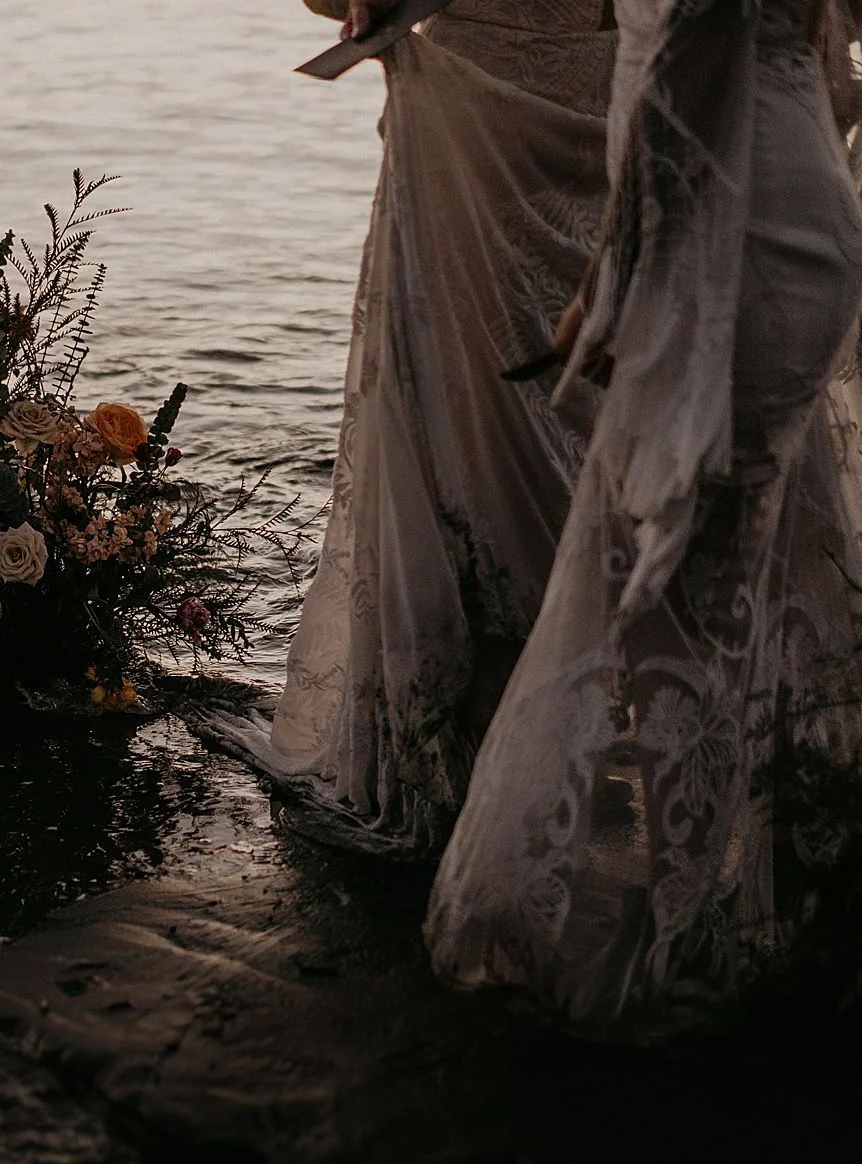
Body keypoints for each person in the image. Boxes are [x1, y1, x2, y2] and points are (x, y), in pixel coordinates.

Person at [424, 0, 862, 1039]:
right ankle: (735, 896)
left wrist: (619, 273)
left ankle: (673, 948)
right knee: (704, 582)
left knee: (659, 601)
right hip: (755, 203)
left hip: (727, 232)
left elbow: (691, 43)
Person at [211, 0, 621, 857]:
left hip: (482, 130)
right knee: (568, 422)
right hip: (591, 111)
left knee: (474, 424)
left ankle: (487, 740)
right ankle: (571, 707)